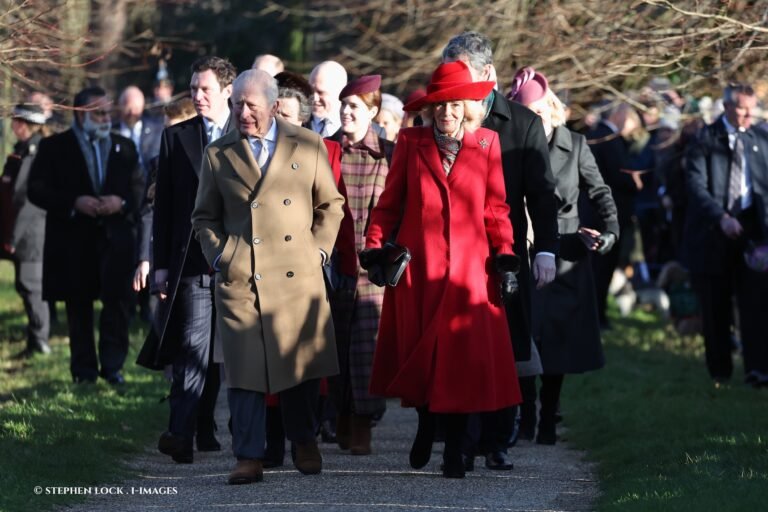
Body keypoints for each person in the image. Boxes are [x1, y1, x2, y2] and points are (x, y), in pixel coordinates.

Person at [362, 60, 521, 479]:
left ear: (467, 106)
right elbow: (389, 203)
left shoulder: (486, 143)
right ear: (430, 109)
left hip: (471, 268)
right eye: (439, 107)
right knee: (426, 356)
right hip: (421, 267)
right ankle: (426, 423)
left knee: (464, 361)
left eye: (454, 106)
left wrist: (505, 257)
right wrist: (375, 247)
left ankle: (458, 450)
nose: (446, 114)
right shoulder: (411, 142)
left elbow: (496, 208)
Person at [191, 69, 344, 485]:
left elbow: (331, 205)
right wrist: (223, 255)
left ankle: (303, 439)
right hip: (242, 277)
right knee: (245, 372)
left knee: (300, 367)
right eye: (237, 104)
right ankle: (248, 455)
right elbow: (203, 216)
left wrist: (319, 251)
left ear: (274, 106)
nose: (242, 112)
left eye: (251, 105)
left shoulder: (308, 144)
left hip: (298, 275)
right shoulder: (218, 154)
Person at [441, 31, 558, 471]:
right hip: (455, 256)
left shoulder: (523, 124)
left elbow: (542, 196)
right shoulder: (442, 121)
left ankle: (497, 438)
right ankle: (462, 438)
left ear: (487, 75)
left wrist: (545, 250)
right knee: (461, 346)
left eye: (463, 74)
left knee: (507, 349)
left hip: (504, 256)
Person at [509, 68, 619, 444]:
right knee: (525, 333)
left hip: (567, 250)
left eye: (540, 112)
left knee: (558, 338)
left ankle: (548, 415)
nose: (535, 120)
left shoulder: (575, 144)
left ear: (553, 107)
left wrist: (608, 233)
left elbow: (600, 191)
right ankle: (526, 413)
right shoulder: (516, 146)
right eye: (528, 113)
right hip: (524, 245)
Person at [142, 56, 236, 464]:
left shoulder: (249, 133)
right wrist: (160, 263)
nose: (197, 97)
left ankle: (258, 437)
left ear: (228, 92)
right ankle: (180, 433)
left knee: (242, 355)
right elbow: (163, 207)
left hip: (243, 264)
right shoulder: (176, 138)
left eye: (205, 90)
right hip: (193, 265)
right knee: (192, 350)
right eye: (193, 88)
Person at [28, 86, 144, 384]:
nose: (106, 118)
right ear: (81, 115)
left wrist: (122, 203)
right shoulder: (54, 147)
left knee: (117, 304)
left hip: (115, 240)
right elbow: (36, 190)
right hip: (73, 241)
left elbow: (139, 188)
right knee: (78, 308)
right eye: (99, 113)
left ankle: (113, 366)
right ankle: (84, 372)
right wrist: (73, 202)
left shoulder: (124, 147)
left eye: (108, 112)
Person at [682, 83, 768, 385]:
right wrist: (721, 218)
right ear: (727, 106)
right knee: (716, 306)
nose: (748, 114)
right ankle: (720, 371)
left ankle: (757, 370)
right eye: (742, 108)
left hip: (752, 234)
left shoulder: (761, 138)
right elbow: (696, 186)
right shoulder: (704, 139)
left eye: (751, 108)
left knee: (756, 304)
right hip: (713, 232)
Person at [326, 75, 394, 455]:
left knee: (366, 349)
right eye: (343, 105)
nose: (346, 112)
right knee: (334, 345)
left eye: (355, 106)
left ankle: (363, 422)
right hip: (334, 261)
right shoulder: (325, 149)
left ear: (372, 111)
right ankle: (339, 418)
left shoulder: (389, 153)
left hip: (373, 267)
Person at [2, 104, 51, 357]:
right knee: (25, 285)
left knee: (31, 285)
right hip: (18, 232)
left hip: (30, 234)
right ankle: (34, 339)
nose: (13, 126)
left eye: (17, 122)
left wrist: (13, 237)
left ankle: (40, 340)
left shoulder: (36, 152)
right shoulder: (20, 151)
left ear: (27, 124)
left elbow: (27, 200)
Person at [585, 102, 639, 328]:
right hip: (609, 213)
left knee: (596, 269)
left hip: (591, 211)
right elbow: (619, 176)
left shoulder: (594, 135)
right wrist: (634, 181)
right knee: (603, 269)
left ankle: (595, 314)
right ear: (618, 115)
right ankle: (598, 316)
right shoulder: (610, 139)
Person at [114, 85, 164, 179]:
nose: (132, 113)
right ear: (120, 106)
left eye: (136, 108)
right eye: (129, 108)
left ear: (142, 107)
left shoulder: (157, 130)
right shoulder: (111, 132)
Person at [307, 61, 348, 137]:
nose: (315, 98)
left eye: (321, 92)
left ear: (341, 91)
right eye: (311, 90)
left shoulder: (356, 129)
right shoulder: (296, 123)